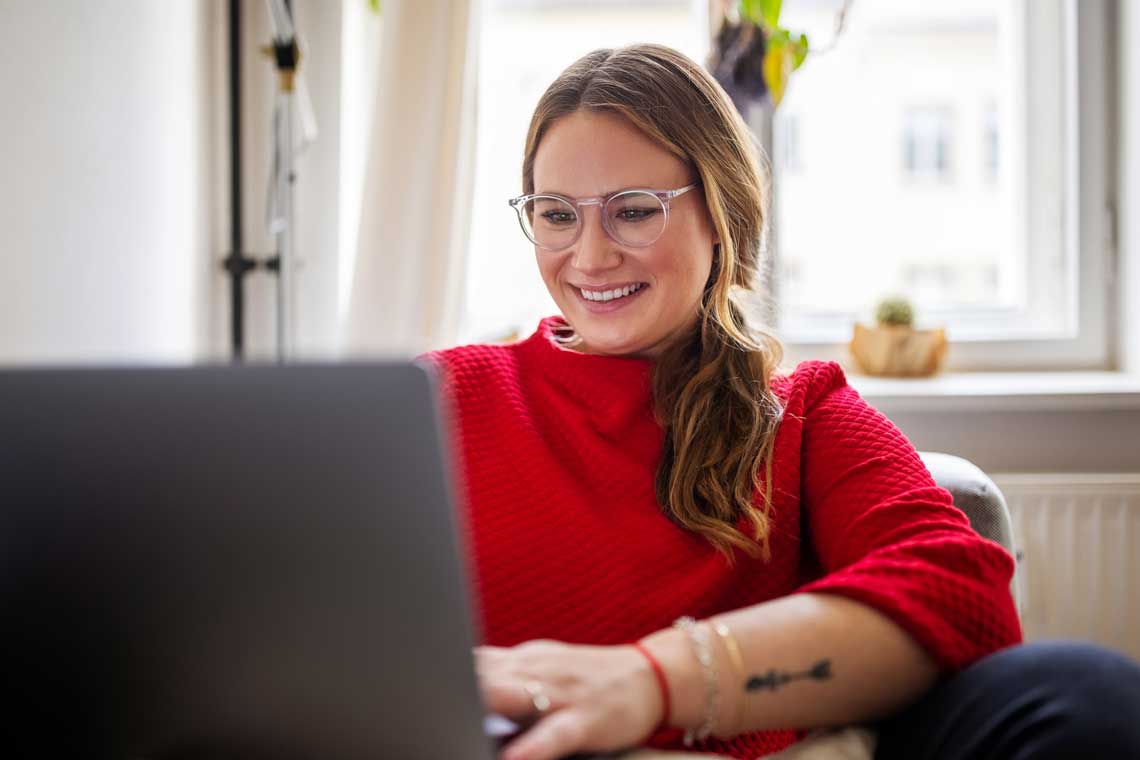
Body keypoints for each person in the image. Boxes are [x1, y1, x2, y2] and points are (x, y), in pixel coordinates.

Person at [425, 44, 1140, 760]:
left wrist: (653, 681)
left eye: (634, 211)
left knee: (1087, 690)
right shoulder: (439, 399)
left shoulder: (800, 416)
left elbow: (963, 591)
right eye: (556, 215)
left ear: (720, 214)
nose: (589, 256)